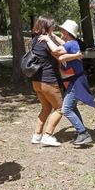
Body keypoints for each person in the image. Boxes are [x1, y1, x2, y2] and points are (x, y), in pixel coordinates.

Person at [39, 20, 95, 145]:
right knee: (73, 107)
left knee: (66, 109)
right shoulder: (71, 43)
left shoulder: (70, 44)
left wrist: (48, 40)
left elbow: (56, 52)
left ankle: (83, 133)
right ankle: (81, 132)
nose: (60, 32)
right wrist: (52, 36)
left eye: (62, 30)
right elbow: (62, 46)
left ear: (66, 32)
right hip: (74, 81)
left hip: (76, 81)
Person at [29, 16, 64, 147]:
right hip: (48, 80)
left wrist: (51, 36)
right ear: (47, 27)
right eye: (52, 26)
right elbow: (58, 50)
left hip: (36, 81)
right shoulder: (46, 41)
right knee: (60, 108)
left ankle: (36, 135)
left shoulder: (34, 40)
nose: (54, 28)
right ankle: (47, 136)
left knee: (46, 108)